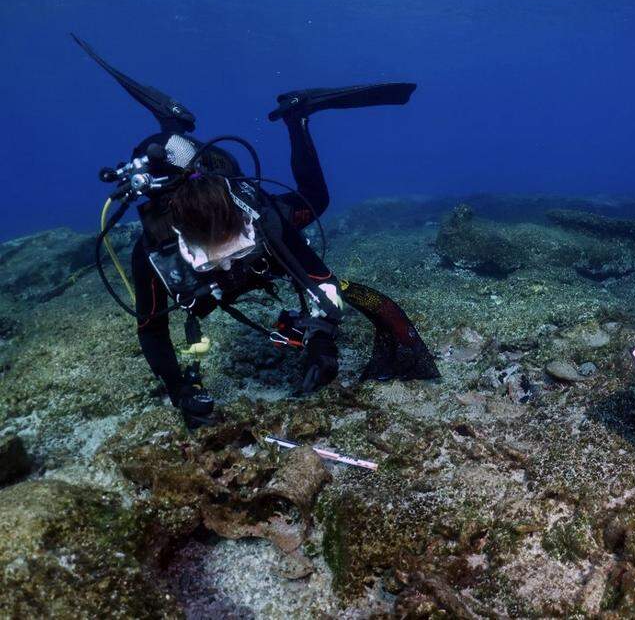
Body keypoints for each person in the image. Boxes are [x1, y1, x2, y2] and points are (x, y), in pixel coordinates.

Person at [78, 36, 438, 428]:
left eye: (236, 247)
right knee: (170, 147)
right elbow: (151, 328)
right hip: (176, 181)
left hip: (223, 175)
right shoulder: (156, 252)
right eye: (212, 256)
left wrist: (321, 343)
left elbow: (320, 281)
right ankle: (174, 123)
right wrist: (179, 389)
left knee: (313, 200)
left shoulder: (264, 218)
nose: (227, 262)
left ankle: (296, 115)